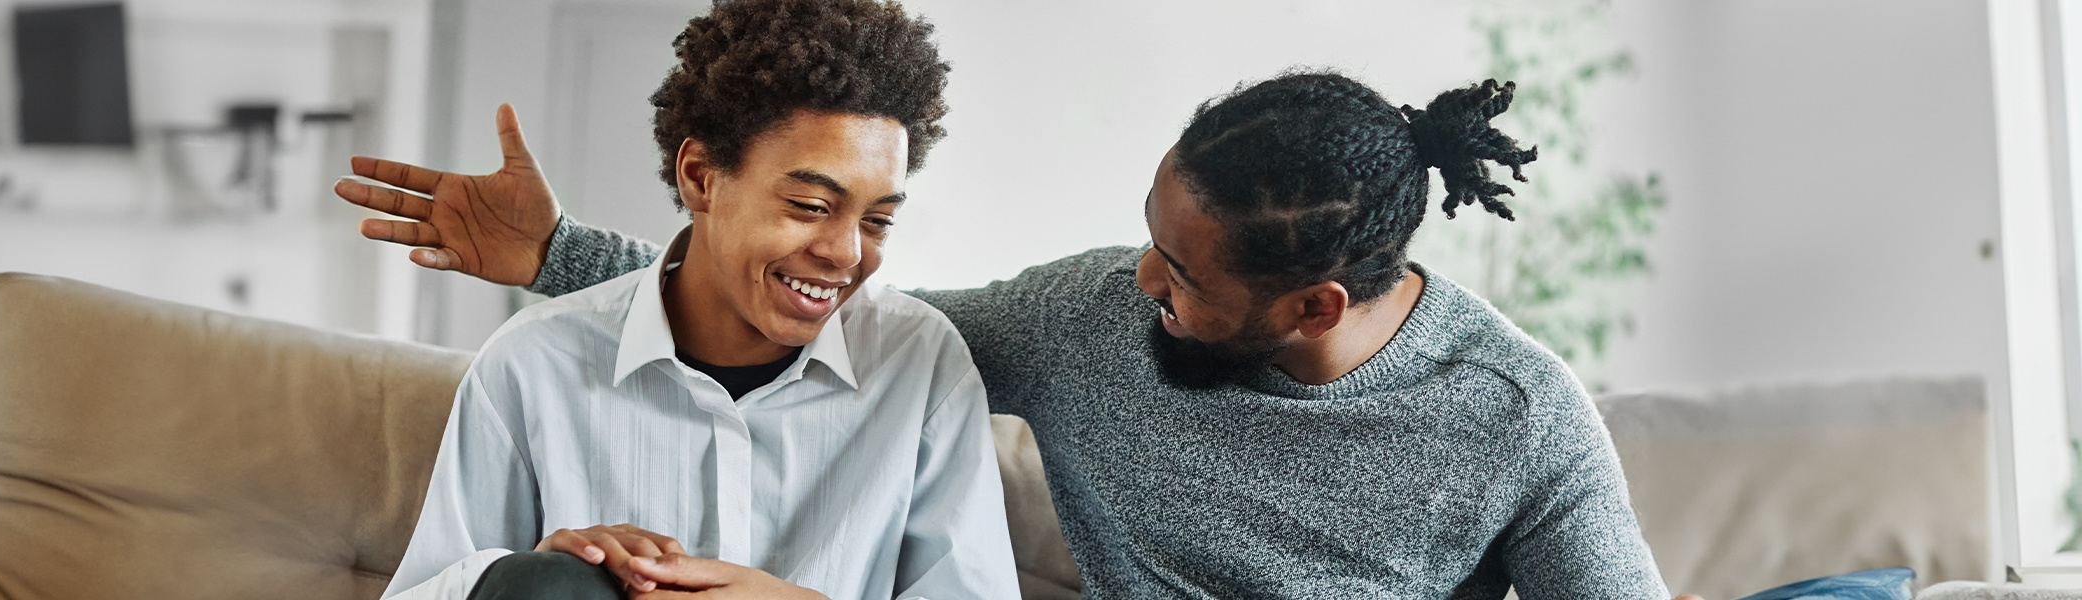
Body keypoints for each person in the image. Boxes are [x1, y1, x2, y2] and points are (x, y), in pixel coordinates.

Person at [344, 69, 1690, 598]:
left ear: (1313, 306)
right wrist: (558, 259)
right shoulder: (1088, 317)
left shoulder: (1517, 418)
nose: (1140, 281)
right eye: (1148, 233)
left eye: (1182, 276)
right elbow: (842, 321)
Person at [355, 1, 1017, 599]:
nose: (846, 254)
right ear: (701, 176)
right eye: (810, 206)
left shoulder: (920, 361)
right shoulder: (535, 361)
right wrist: (520, 580)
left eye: (877, 221)